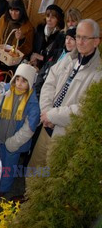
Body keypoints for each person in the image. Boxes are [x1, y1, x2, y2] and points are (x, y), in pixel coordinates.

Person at [28, 19, 101, 168]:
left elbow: (84, 109)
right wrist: (46, 111)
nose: (79, 42)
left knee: (50, 175)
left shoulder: (98, 74)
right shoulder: (69, 58)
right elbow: (49, 82)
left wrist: (52, 115)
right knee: (35, 167)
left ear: (96, 41)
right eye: (78, 36)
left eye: (85, 38)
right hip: (46, 126)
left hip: (64, 134)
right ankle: (27, 192)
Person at [0, 63, 40, 194]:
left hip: (13, 144)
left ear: (30, 83)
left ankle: (2, 191)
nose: (19, 83)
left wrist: (14, 143)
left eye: (24, 81)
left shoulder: (32, 103)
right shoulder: (8, 90)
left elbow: (28, 129)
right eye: (17, 79)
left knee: (9, 168)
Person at [33, 27, 77, 98]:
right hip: (41, 89)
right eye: (67, 38)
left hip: (52, 95)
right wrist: (37, 91)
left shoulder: (75, 61)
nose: (68, 41)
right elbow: (43, 71)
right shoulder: (57, 52)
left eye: (72, 39)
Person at [30, 4, 65, 69]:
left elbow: (56, 57)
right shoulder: (40, 29)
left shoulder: (60, 36)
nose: (49, 19)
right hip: (32, 64)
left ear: (58, 20)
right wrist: (32, 57)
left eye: (53, 17)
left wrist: (41, 58)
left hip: (47, 69)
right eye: (48, 16)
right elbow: (33, 48)